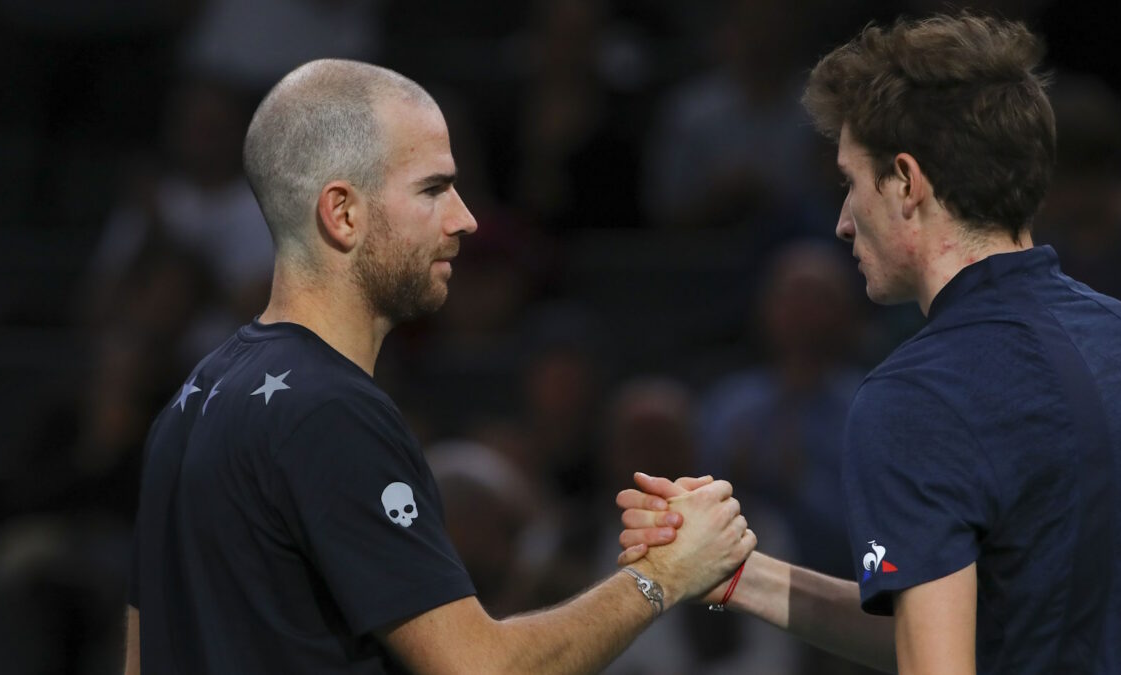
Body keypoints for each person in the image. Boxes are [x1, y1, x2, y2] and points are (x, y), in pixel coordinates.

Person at [616, 14, 1121, 675]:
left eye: (851, 180)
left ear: (905, 182)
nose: (842, 221)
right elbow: (984, 634)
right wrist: (737, 576)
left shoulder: (916, 395)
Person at [123, 58, 755, 674]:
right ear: (343, 214)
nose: (465, 219)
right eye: (432, 189)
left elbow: (139, 662)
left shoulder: (194, 397)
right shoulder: (331, 411)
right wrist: (662, 576)